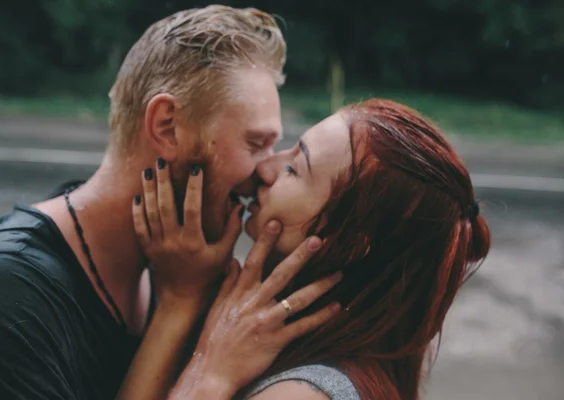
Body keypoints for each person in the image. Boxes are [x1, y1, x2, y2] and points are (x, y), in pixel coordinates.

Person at [0, 5, 320, 399]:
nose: (266, 171)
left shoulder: (182, 270)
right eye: (256, 143)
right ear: (167, 127)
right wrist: (206, 357)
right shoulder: (6, 298)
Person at [128, 98, 491, 399]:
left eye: (295, 169)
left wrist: (212, 374)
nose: (266, 168)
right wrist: (182, 298)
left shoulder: (300, 395)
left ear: (351, 244)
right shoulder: (351, 355)